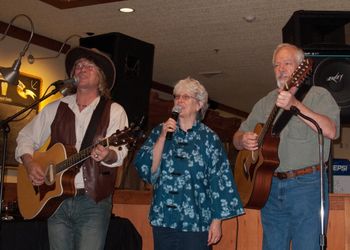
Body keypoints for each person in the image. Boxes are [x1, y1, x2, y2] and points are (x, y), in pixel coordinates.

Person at [15, 47, 129, 250]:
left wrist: (107, 153)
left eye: (89, 66)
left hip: (92, 202)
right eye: (78, 66)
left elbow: (120, 153)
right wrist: (30, 163)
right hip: (55, 201)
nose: (81, 69)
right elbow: (25, 136)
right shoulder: (55, 107)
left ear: (101, 78)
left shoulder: (114, 110)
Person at [233, 43, 340, 250]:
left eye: (287, 63)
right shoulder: (264, 103)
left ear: (300, 67)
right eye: (276, 65)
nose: (281, 69)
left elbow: (331, 131)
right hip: (269, 187)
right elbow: (237, 137)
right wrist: (242, 140)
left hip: (307, 186)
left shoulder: (318, 95)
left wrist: (296, 105)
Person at [134, 77, 244, 250]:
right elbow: (146, 169)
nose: (179, 100)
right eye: (177, 96)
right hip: (164, 219)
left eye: (186, 97)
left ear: (199, 104)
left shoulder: (209, 139)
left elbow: (220, 180)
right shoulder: (159, 131)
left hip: (197, 222)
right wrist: (163, 137)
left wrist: (217, 222)